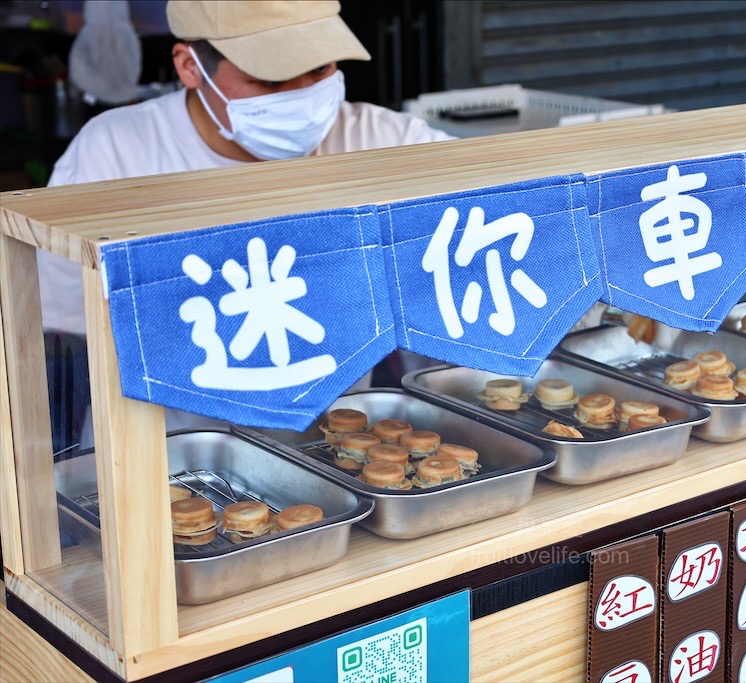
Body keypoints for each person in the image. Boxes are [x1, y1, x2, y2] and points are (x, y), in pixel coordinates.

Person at [38, 0, 454, 449]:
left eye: (319, 70)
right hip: (163, 455)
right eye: (271, 78)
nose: (300, 92)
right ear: (190, 67)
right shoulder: (115, 155)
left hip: (341, 450)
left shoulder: (388, 144)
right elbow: (58, 320)